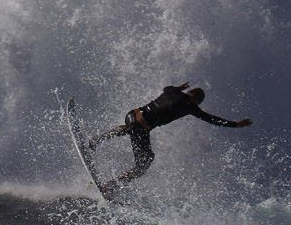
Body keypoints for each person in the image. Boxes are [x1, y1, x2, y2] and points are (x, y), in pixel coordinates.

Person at [89, 82, 252, 198]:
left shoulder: (173, 92)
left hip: (131, 115)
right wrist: (235, 125)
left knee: (128, 127)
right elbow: (211, 119)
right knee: (144, 165)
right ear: (197, 101)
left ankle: (97, 139)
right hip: (141, 127)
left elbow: (167, 87)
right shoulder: (190, 106)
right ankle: (109, 187)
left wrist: (179, 88)